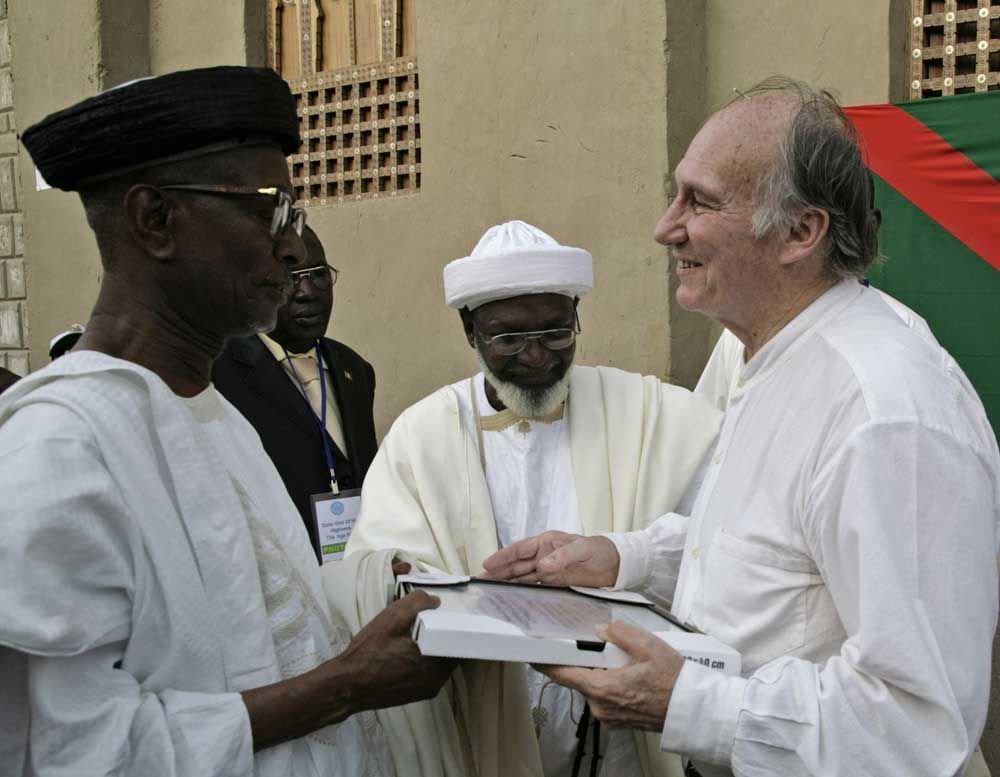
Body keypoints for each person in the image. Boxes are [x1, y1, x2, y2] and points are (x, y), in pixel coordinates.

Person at [484, 79, 1000, 777]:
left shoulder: (882, 410)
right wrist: (620, 559)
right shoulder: (770, 355)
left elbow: (917, 725)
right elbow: (762, 557)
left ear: (800, 232)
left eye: (699, 201)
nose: (666, 227)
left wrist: (688, 703)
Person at [0, 66, 458, 777]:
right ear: (155, 220)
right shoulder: (59, 448)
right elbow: (77, 753)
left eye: (294, 216)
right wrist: (347, 685)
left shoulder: (217, 415)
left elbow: (258, 630)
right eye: (269, 211)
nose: (293, 247)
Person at [341, 220, 722, 777]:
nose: (538, 356)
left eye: (556, 332)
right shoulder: (421, 437)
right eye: (509, 338)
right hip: (481, 736)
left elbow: (725, 536)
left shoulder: (655, 415)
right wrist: (452, 589)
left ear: (577, 317)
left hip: (620, 742)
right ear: (469, 330)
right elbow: (377, 573)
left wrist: (623, 554)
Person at [213, 225, 378, 558]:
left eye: (319, 274)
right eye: (290, 278)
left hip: (358, 567)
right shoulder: (221, 376)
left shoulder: (354, 370)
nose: (307, 292)